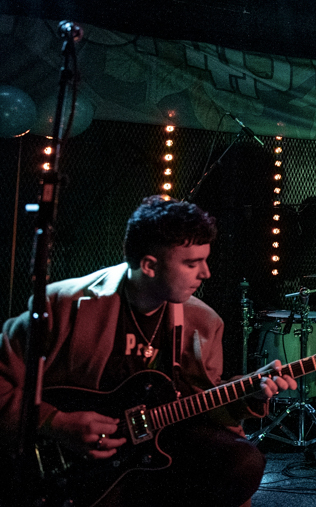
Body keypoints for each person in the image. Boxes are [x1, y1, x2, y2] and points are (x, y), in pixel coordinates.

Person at [0, 195, 297, 507]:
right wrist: (55, 422)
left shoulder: (204, 322)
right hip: (74, 467)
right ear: (149, 265)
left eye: (205, 260)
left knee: (243, 461)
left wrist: (249, 395)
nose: (205, 273)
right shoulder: (63, 304)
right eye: (191, 263)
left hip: (155, 451)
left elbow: (205, 405)